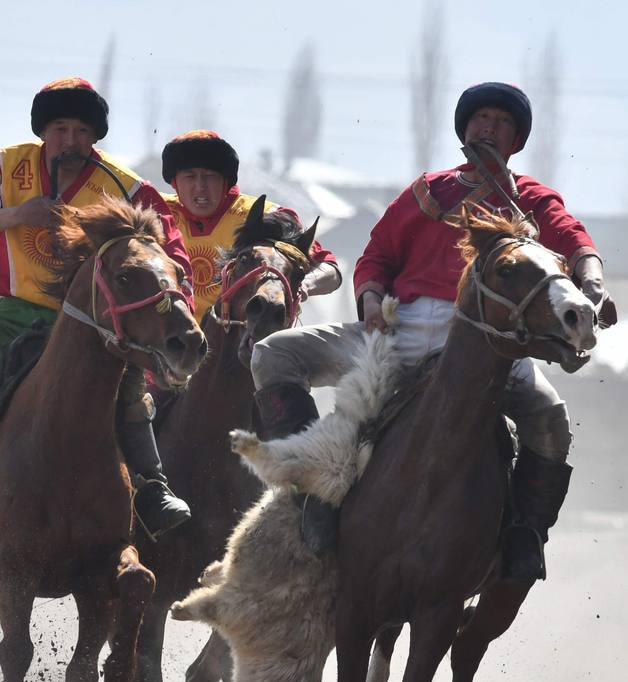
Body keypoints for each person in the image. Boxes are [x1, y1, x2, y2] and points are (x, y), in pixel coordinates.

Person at [248, 82, 616, 578]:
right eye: (481, 118)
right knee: (273, 355)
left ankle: (526, 533)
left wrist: (592, 282)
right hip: (402, 330)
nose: (489, 127)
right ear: (465, 128)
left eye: (502, 121)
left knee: (551, 419)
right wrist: (372, 298)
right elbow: (376, 254)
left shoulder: (531, 199)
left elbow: (575, 242)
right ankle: (311, 485)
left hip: (491, 344)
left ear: (517, 138)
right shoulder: (429, 190)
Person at [0, 77, 195, 554]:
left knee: (132, 390)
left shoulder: (127, 187)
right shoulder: (1, 168)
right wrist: (16, 216)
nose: (69, 141)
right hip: (14, 313)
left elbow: (172, 255)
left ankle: (153, 490)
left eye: (80, 131)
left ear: (95, 137)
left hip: (97, 326)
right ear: (42, 131)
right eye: (59, 128)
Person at [158, 129, 340, 320]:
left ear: (226, 181)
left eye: (210, 176)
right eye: (190, 176)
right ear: (174, 182)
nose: (201, 186)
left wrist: (302, 286)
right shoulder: (154, 210)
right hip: (169, 343)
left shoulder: (266, 216)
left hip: (245, 342)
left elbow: (330, 269)